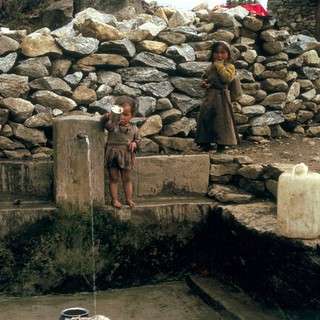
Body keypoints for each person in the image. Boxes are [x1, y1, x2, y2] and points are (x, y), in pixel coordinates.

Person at [195, 40, 240, 153]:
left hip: (222, 98)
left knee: (221, 121)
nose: (219, 55)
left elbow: (227, 78)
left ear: (228, 54)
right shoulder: (211, 67)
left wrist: (219, 66)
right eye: (216, 53)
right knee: (206, 119)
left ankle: (221, 145)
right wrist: (203, 83)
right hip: (209, 97)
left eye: (223, 52)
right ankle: (205, 143)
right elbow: (203, 78)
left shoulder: (230, 66)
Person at [100, 96, 141, 209]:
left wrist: (134, 143)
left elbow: (137, 139)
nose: (123, 117)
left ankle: (129, 199)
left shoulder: (134, 128)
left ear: (132, 115)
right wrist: (106, 117)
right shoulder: (113, 125)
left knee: (127, 179)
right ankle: (115, 200)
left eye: (126, 115)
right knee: (114, 178)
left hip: (127, 156)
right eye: (120, 114)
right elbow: (102, 123)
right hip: (113, 156)